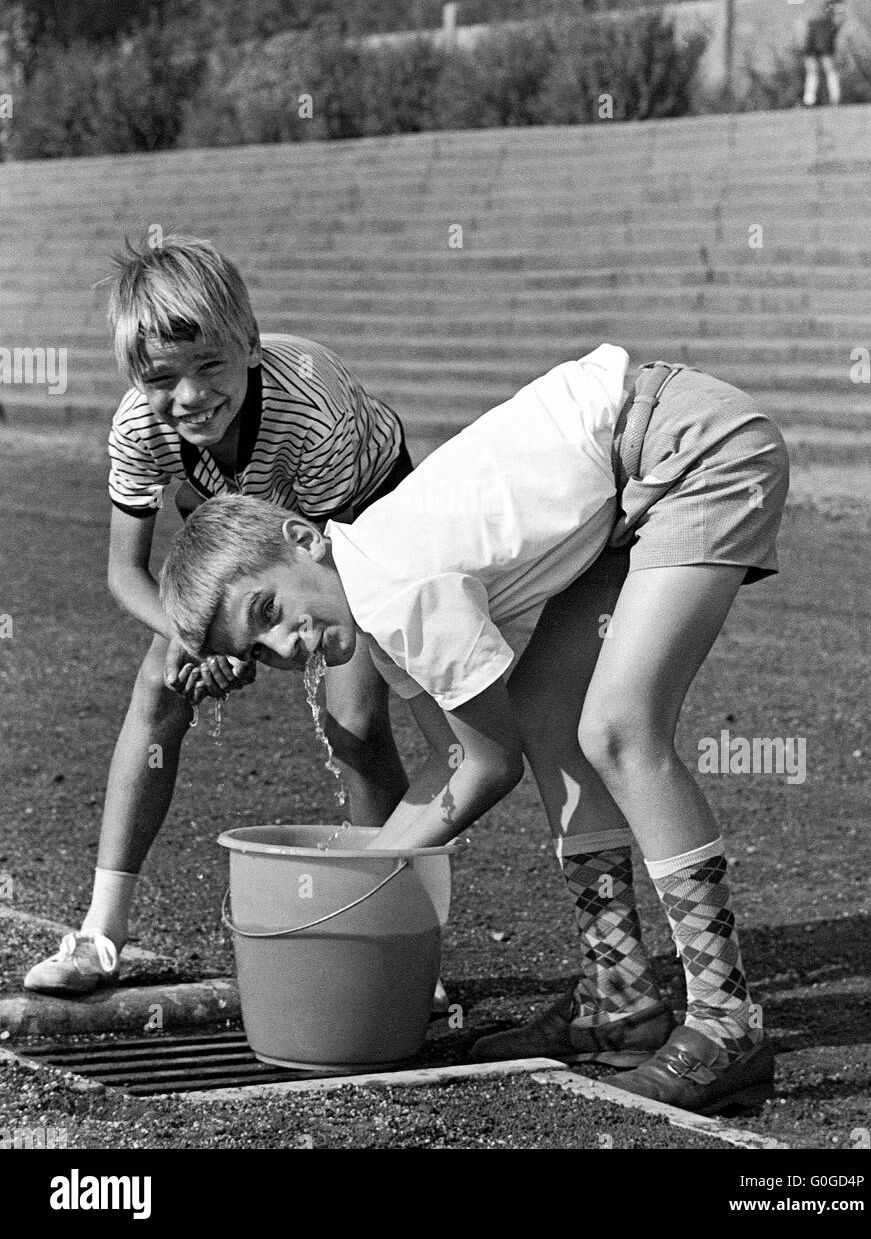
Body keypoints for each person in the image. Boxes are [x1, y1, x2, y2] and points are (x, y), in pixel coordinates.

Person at [159, 345, 790, 1114]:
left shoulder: (394, 589)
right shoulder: (376, 606)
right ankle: (617, 995)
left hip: (690, 445)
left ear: (302, 537)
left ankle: (728, 1022)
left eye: (268, 612)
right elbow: (462, 754)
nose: (285, 646)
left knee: (620, 731)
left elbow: (488, 768)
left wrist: (367, 877)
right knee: (552, 720)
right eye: (258, 650)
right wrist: (374, 861)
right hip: (626, 480)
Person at [24, 235, 416, 996]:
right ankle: (101, 932)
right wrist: (196, 640)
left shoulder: (314, 406)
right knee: (160, 682)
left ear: (251, 347)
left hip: (355, 518)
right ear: (136, 380)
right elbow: (124, 572)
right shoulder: (141, 425)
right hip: (232, 505)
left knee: (357, 722)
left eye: (210, 366)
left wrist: (254, 642)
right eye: (162, 378)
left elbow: (319, 575)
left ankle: (395, 937)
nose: (191, 395)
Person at [802, 0, 845, 107]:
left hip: (814, 49)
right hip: (822, 49)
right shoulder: (828, 18)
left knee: (815, 74)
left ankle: (810, 100)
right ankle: (834, 99)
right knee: (827, 73)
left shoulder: (819, 18)